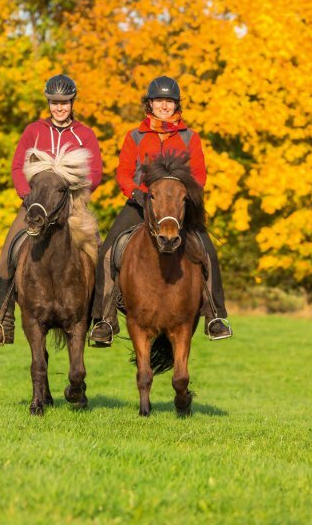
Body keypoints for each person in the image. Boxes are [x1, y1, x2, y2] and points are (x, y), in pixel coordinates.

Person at [89, 75, 233, 347]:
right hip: (142, 203)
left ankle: (215, 316)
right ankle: (104, 319)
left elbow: (200, 175)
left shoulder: (190, 137)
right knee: (108, 250)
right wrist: (136, 193)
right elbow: (123, 173)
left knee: (207, 249)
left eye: (169, 101)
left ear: (176, 105)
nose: (164, 106)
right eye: (159, 101)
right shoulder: (135, 136)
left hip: (178, 206)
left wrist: (184, 196)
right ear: (150, 104)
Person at [0, 74, 103, 345]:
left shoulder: (85, 134)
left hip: (71, 205)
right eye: (55, 103)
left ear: (73, 103)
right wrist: (26, 196)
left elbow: (96, 172)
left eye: (65, 103)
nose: (60, 108)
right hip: (35, 204)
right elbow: (17, 167)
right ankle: (5, 324)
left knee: (100, 254)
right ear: (49, 103)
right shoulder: (33, 131)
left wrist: (76, 193)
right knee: (6, 256)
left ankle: (100, 321)